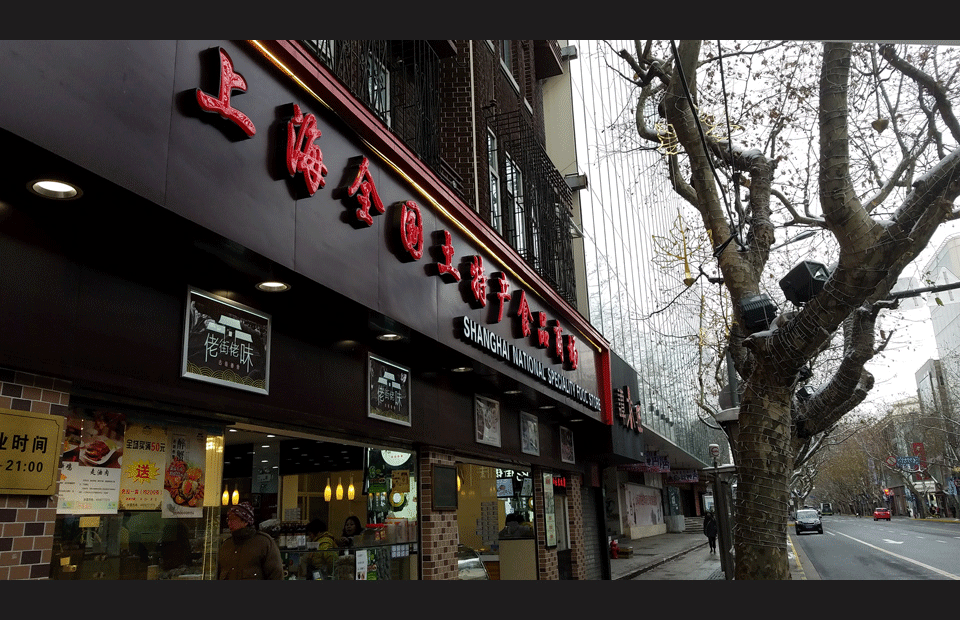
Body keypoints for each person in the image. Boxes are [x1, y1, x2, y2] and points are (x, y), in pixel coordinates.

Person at [218, 502, 283, 579]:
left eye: (233, 519)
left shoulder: (264, 543)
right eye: (228, 519)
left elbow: (276, 574)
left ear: (245, 521)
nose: (229, 523)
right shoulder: (226, 546)